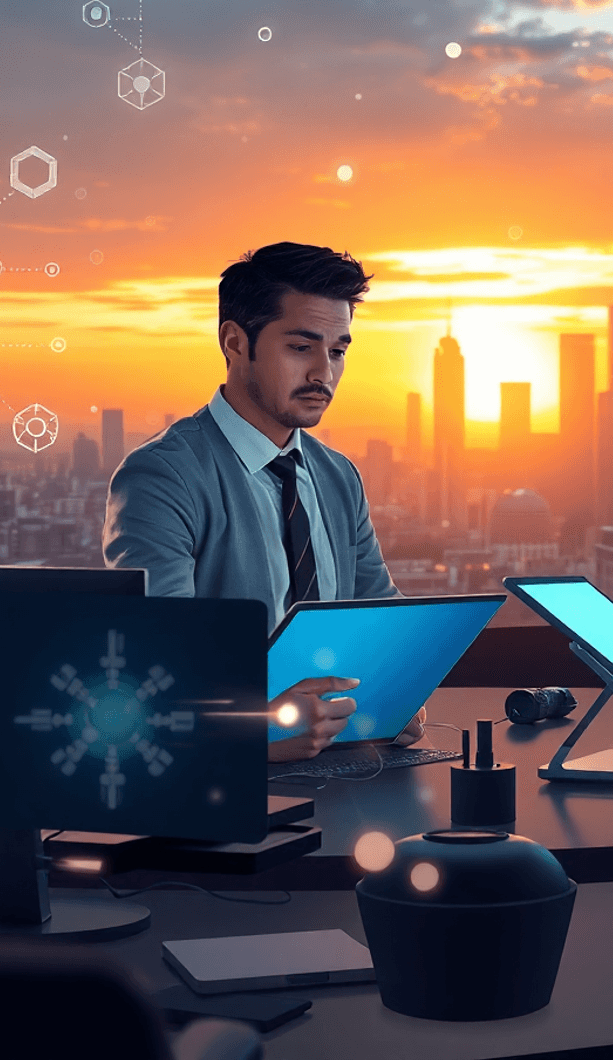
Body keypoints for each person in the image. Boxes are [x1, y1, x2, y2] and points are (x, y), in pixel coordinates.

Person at [103, 242, 425, 762]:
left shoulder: (338, 476)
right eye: (301, 347)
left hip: (344, 762)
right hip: (218, 784)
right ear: (235, 342)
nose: (324, 372)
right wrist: (261, 730)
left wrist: (403, 689)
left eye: (338, 351)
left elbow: (383, 620)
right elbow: (150, 670)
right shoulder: (162, 477)